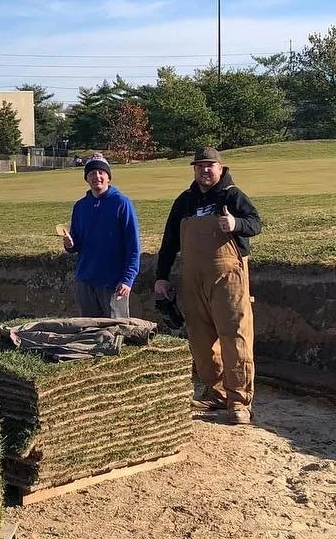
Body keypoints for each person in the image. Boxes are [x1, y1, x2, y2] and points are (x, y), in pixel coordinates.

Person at [153, 147, 263, 424]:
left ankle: (239, 401)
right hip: (193, 279)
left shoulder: (233, 195)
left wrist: (235, 222)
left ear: (220, 168)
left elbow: (256, 223)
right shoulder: (184, 201)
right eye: (199, 166)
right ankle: (215, 393)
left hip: (229, 278)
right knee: (201, 341)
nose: (204, 170)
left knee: (234, 338)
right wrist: (161, 276)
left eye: (209, 166)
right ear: (194, 169)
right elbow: (169, 243)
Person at [62, 154, 140, 318]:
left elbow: (133, 246)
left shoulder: (122, 203)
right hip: (86, 280)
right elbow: (77, 243)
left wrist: (128, 279)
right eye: (92, 173)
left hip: (115, 282)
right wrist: (70, 244)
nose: (97, 176)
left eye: (101, 172)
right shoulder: (80, 206)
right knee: (90, 331)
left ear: (108, 177)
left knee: (116, 333)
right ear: (86, 178)